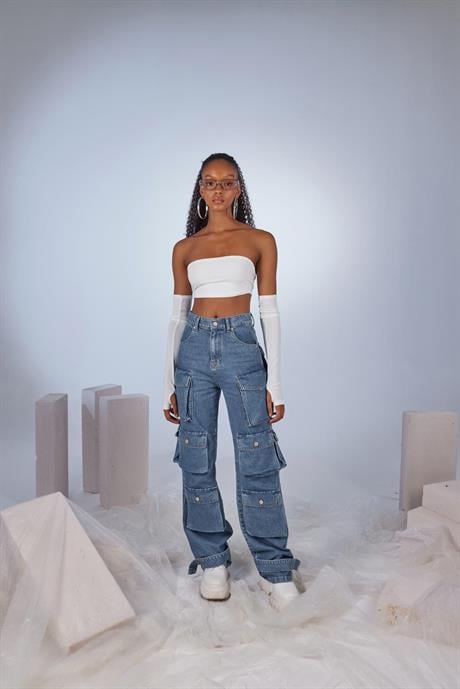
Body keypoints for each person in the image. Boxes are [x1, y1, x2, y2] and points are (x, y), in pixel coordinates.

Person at [162, 153, 302, 611]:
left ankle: (274, 567)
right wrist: (167, 381)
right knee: (196, 456)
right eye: (210, 182)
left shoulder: (260, 240)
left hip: (242, 348)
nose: (218, 190)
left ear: (239, 188)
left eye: (227, 182)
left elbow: (269, 311)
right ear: (200, 190)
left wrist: (275, 382)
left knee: (256, 455)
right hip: (193, 351)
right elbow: (177, 317)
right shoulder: (185, 248)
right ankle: (212, 562)